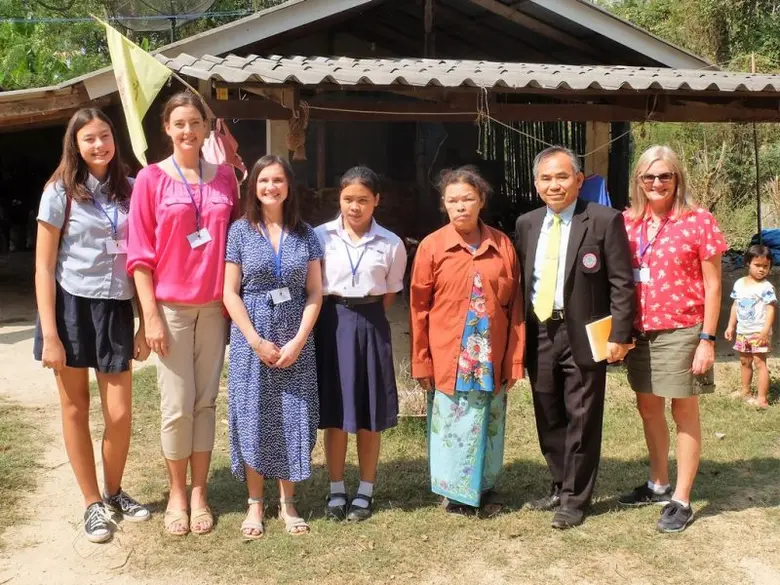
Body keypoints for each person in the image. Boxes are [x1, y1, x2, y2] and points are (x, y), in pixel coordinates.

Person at [34, 108, 151, 543]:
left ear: (113, 138)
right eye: (89, 139)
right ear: (76, 145)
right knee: (75, 410)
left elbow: (140, 260)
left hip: (116, 308)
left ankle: (115, 490)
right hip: (71, 309)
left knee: (119, 415)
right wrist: (50, 335)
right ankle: (91, 504)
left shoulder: (133, 190)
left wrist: (143, 322)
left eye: (104, 136)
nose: (99, 145)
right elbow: (44, 268)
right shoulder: (59, 192)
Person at [127, 92, 239, 536]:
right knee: (176, 406)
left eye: (196, 122)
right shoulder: (150, 179)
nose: (188, 131)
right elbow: (139, 254)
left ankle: (200, 493)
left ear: (207, 127)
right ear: (167, 129)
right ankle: (177, 493)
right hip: (170, 308)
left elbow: (238, 241)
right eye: (180, 123)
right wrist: (149, 316)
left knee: (206, 402)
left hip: (214, 307)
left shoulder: (226, 178)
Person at [514, 146, 635, 530]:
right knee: (547, 411)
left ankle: (574, 499)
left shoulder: (603, 220)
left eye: (562, 177)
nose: (555, 185)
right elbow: (522, 282)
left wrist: (620, 333)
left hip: (584, 332)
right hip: (540, 331)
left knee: (582, 415)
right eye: (546, 178)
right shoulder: (527, 223)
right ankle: (558, 481)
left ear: (579, 180)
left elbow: (621, 283)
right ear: (536, 184)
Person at [619, 145, 727, 533]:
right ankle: (658, 483)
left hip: (683, 329)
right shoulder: (627, 222)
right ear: (638, 181)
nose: (657, 183)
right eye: (649, 176)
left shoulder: (699, 221)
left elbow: (714, 285)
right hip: (640, 333)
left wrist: (707, 339)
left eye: (665, 175)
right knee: (648, 408)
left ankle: (681, 498)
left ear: (677, 178)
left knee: (683, 412)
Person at [410, 166, 525, 514]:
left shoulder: (502, 245)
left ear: (482, 201)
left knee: (489, 422)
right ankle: (457, 495)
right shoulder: (432, 247)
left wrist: (514, 359)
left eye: (467, 199)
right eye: (453, 200)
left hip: (491, 355)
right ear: (444, 205)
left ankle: (484, 488)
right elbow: (418, 309)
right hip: (451, 355)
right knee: (455, 424)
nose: (460, 206)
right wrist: (421, 359)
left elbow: (515, 306)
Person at [223, 155, 323, 539]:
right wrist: (254, 340)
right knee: (253, 415)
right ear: (254, 187)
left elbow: (314, 291)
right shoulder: (240, 232)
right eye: (264, 180)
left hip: (295, 337)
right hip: (253, 337)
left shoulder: (306, 234)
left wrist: (299, 339)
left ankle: (288, 502)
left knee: (291, 415)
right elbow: (230, 293)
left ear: (289, 186)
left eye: (278, 180)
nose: (271, 187)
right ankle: (254, 504)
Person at [314, 166, 407, 522]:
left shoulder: (391, 243)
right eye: (348, 199)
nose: (355, 207)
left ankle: (365, 489)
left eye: (363, 200)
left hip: (371, 325)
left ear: (376, 201)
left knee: (369, 412)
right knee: (336, 412)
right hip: (331, 323)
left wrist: (363, 315)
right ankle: (336, 487)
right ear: (339, 198)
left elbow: (389, 292)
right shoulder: (320, 237)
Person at [725, 245, 776, 409]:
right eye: (758, 265)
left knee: (760, 364)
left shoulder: (766, 287)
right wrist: (730, 326)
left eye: (765, 266)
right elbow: (735, 305)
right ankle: (745, 392)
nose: (762, 270)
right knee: (744, 362)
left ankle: (762, 399)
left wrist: (765, 331)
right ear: (747, 263)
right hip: (742, 331)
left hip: (758, 332)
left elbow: (771, 309)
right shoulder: (739, 284)